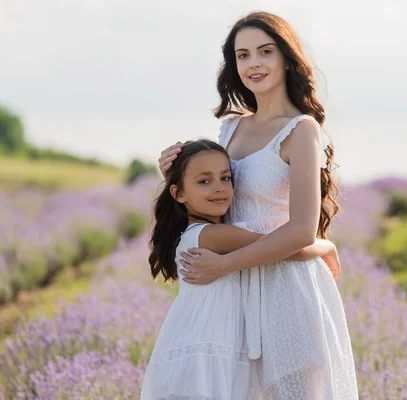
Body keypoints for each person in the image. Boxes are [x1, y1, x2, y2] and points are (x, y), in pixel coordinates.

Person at [158, 11, 359, 399]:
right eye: (243, 55)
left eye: (265, 52)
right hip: (232, 296)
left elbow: (301, 229)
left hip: (288, 288)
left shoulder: (302, 130)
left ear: (286, 57)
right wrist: (172, 169)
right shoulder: (230, 127)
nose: (254, 64)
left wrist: (227, 263)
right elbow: (208, 195)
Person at [141, 139, 340, 400]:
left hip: (203, 346)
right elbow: (285, 246)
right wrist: (328, 247)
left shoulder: (197, 233)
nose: (219, 189)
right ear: (178, 194)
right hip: (209, 353)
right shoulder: (211, 235)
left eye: (225, 178)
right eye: (204, 181)